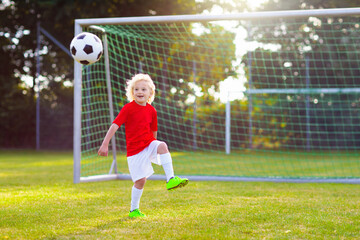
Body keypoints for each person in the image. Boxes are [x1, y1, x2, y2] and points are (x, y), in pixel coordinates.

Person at [98, 73, 188, 218]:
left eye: (143, 89)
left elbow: (154, 131)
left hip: (149, 144)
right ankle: (134, 210)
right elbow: (115, 125)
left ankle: (170, 179)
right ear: (132, 93)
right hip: (135, 152)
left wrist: (155, 148)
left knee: (163, 145)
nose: (140, 92)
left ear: (150, 93)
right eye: (136, 89)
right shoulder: (128, 108)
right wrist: (105, 144)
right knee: (140, 181)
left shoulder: (152, 110)